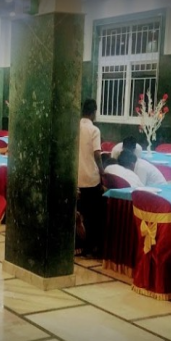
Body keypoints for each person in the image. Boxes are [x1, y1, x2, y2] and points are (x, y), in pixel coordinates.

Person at [77, 99, 104, 258]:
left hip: (77, 177)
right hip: (91, 178)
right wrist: (102, 172)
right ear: (94, 112)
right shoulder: (94, 130)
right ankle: (91, 247)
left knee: (79, 214)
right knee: (93, 215)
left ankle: (79, 245)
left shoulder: (75, 127)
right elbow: (97, 154)